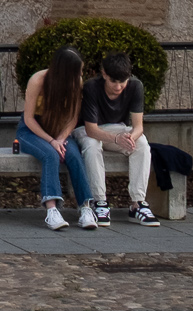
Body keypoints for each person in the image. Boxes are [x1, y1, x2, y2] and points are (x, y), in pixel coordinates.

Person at [18, 45, 98, 230]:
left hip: (60, 132)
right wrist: (51, 141)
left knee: (74, 156)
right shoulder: (38, 80)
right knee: (50, 155)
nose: (80, 74)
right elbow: (29, 119)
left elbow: (73, 117)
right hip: (32, 131)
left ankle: (85, 208)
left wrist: (61, 138)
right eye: (77, 71)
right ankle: (52, 211)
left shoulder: (75, 81)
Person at [79, 51, 157, 226]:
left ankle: (137, 204)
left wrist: (129, 137)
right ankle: (99, 201)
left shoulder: (136, 86)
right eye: (113, 81)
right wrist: (117, 139)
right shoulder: (92, 87)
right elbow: (91, 130)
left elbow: (138, 127)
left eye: (122, 81)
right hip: (88, 131)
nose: (118, 86)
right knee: (91, 145)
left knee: (142, 143)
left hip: (117, 129)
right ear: (104, 74)